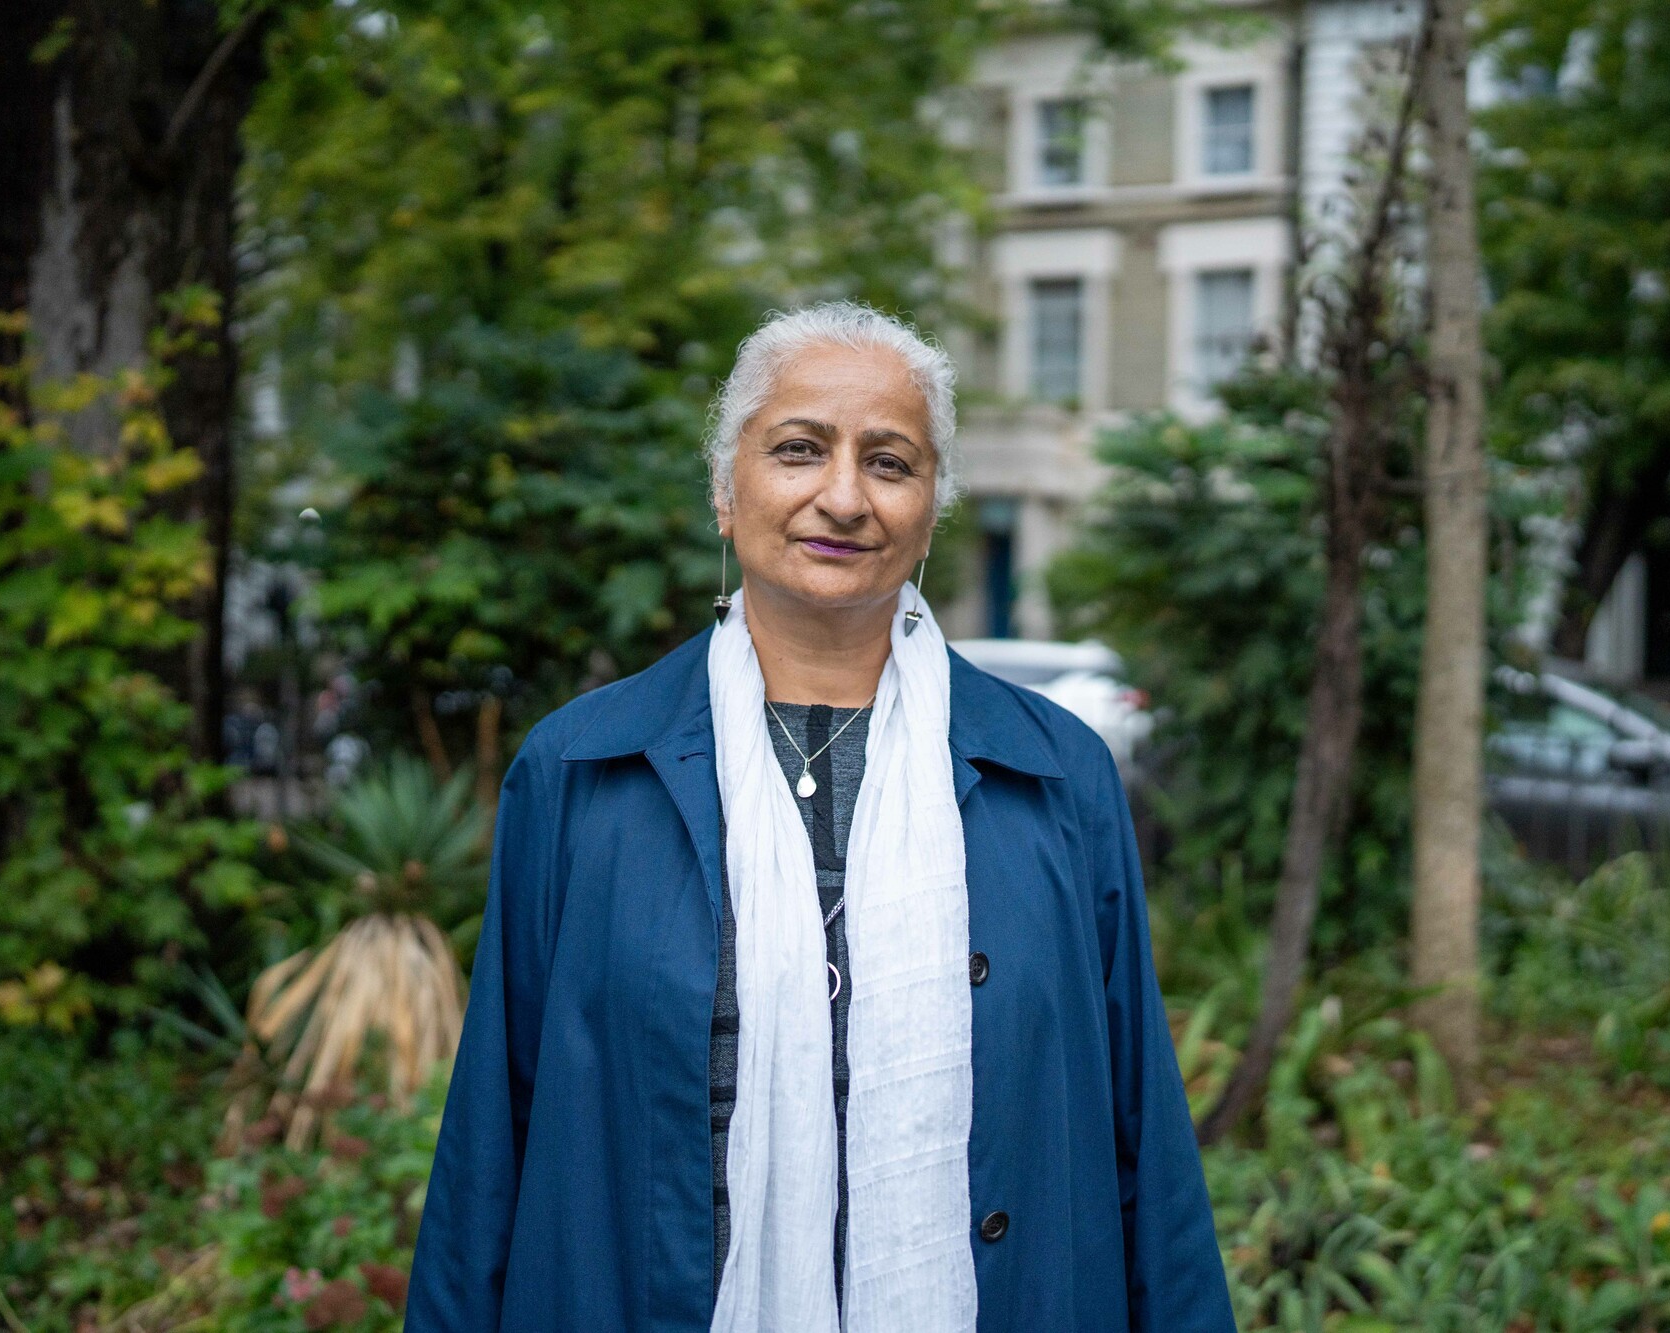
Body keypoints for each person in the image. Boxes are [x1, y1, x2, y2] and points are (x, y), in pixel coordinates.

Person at [404, 302, 1233, 1332]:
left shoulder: (1057, 776)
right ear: (726, 489)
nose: (842, 496)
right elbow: (492, 1136)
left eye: (889, 462)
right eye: (798, 449)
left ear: (930, 509)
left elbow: (1142, 1135)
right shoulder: (579, 770)